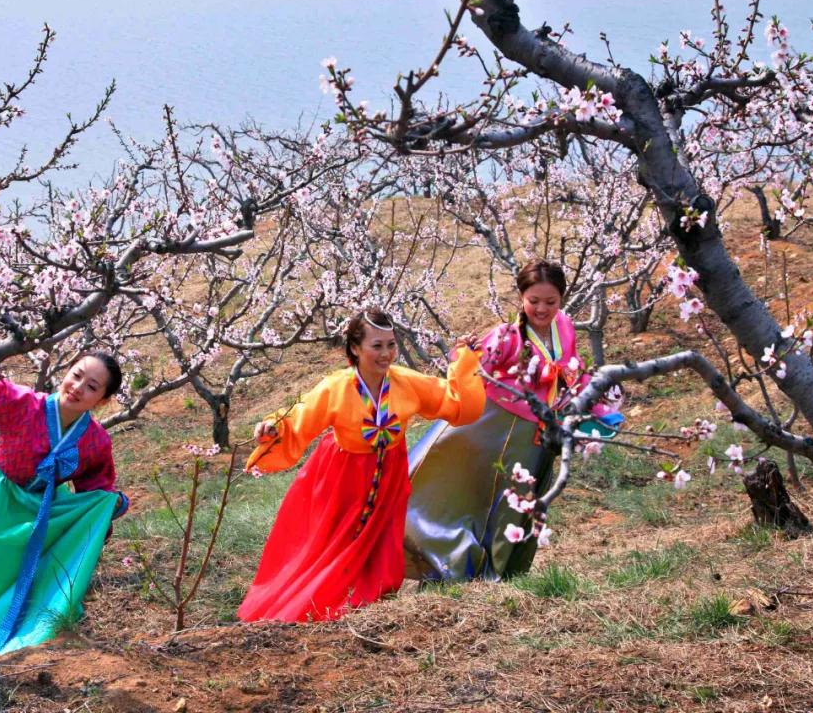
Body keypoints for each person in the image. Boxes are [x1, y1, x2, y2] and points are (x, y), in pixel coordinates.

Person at [0, 281, 130, 671]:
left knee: (32, 586)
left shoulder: (95, 440)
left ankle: (27, 645)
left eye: (92, 386)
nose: (77, 388)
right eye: (76, 375)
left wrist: (108, 506)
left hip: (39, 517)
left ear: (102, 400)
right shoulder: (20, 403)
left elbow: (96, 488)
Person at [237, 309, 486, 622]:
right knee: (335, 544)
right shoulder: (336, 387)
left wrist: (465, 361)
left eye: (391, 345)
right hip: (344, 477)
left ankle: (374, 602)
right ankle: (321, 601)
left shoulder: (405, 381)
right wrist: (273, 428)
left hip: (390, 476)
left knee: (383, 541)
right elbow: (301, 416)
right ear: (355, 348)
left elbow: (454, 402)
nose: (386, 354)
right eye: (376, 346)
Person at [404, 261, 621, 582]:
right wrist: (467, 353)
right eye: (534, 301)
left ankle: (502, 571)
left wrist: (596, 401)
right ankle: (453, 562)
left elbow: (572, 369)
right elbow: (477, 370)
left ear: (561, 299)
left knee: (519, 500)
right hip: (491, 427)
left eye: (550, 301)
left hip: (536, 432)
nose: (542, 309)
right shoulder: (507, 336)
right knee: (469, 493)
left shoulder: (564, 326)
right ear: (521, 297)